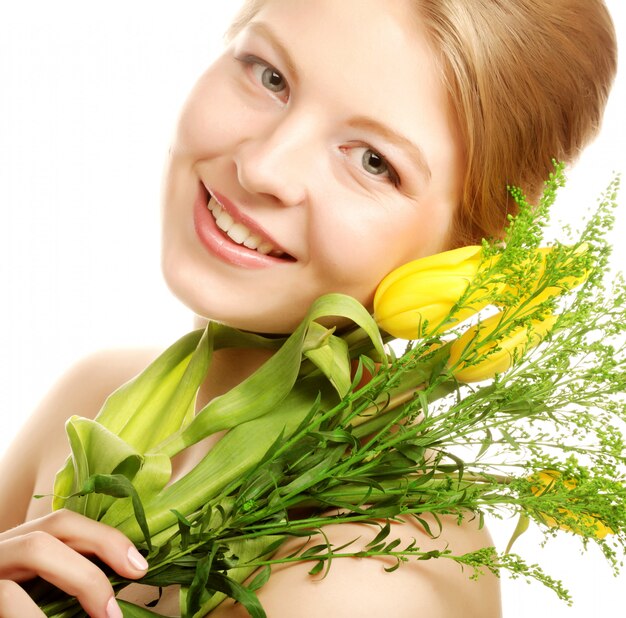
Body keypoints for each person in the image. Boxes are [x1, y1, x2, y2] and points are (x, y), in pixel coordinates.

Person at [0, 0, 617, 616]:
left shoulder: (371, 579)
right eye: (270, 75)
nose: (262, 166)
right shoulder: (91, 396)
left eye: (374, 161)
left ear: (470, 253)